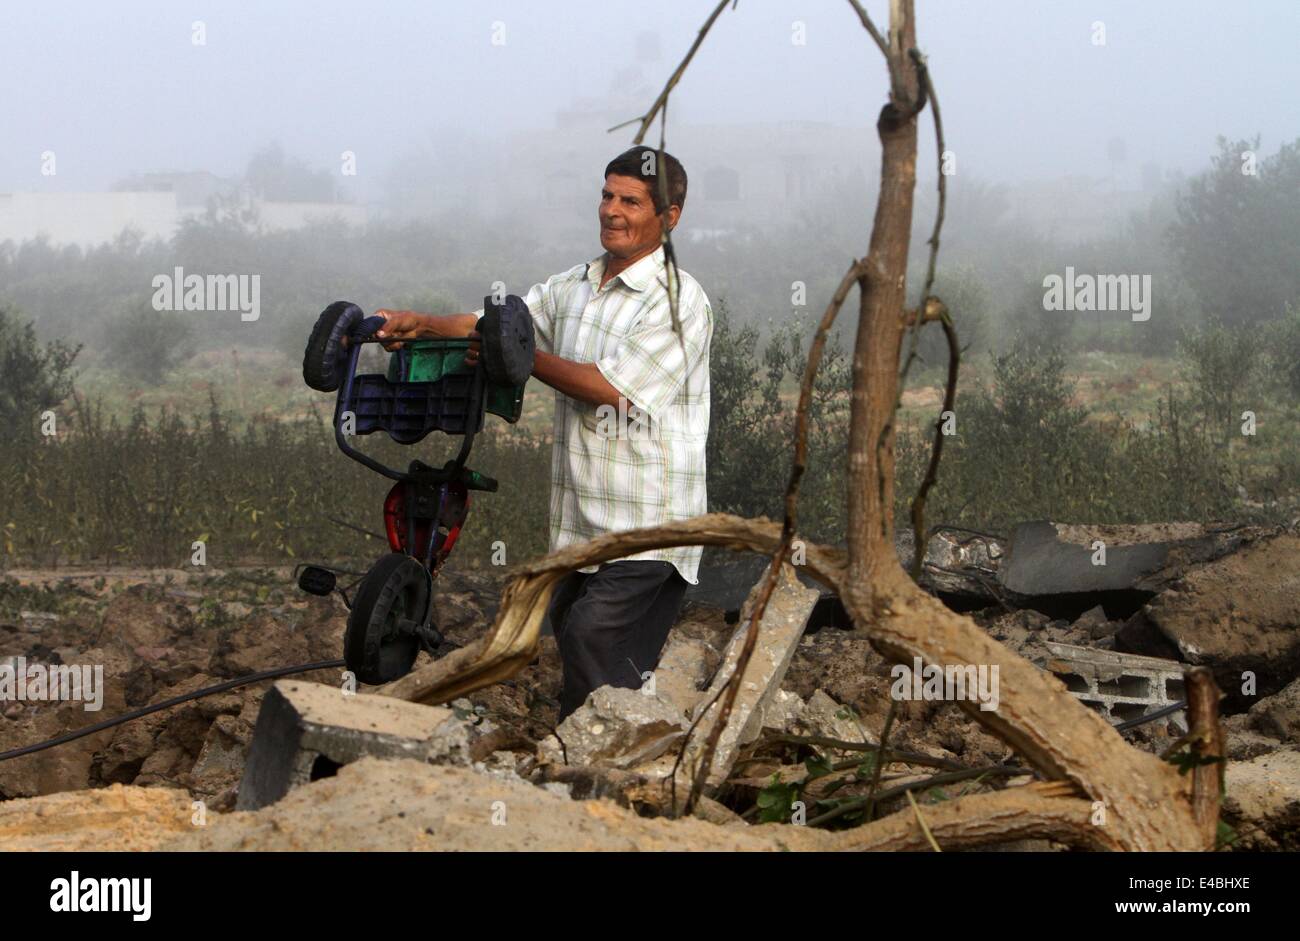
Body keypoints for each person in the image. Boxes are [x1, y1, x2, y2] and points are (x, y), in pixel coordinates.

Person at [373, 146, 712, 721]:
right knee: (591, 656)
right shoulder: (575, 284)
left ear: (669, 216)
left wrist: (520, 357)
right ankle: (602, 758)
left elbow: (614, 391)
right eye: (607, 195)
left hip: (650, 525)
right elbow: (504, 327)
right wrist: (426, 323)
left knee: (591, 639)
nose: (612, 210)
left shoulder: (680, 302)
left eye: (631, 201)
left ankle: (609, 767)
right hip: (581, 526)